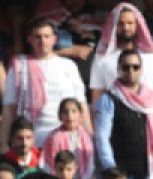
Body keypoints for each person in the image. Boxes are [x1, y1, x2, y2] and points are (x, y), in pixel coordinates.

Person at [1, 17, 91, 149]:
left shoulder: (68, 66)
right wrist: (3, 144)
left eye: (46, 36)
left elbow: (82, 105)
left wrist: (89, 136)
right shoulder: (19, 65)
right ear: (30, 40)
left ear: (54, 39)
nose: (42, 41)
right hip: (30, 141)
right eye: (37, 37)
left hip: (66, 140)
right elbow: (9, 108)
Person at [94, 49, 153, 179]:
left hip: (147, 173)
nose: (130, 71)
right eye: (126, 67)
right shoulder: (109, 99)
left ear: (141, 70)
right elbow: (101, 136)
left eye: (135, 67)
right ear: (119, 69)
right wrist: (110, 168)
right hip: (119, 174)